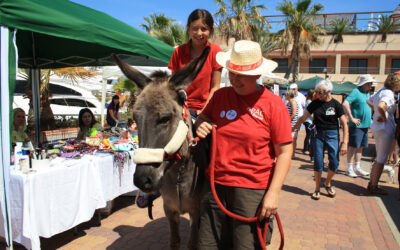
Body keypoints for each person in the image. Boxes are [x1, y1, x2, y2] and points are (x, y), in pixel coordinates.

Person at [195, 40, 292, 249]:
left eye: (243, 75)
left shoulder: (273, 104)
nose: (235, 80)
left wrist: (273, 193)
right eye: (232, 73)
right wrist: (200, 125)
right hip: (214, 186)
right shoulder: (220, 96)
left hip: (252, 190)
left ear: (257, 74)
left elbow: (284, 152)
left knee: (246, 246)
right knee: (206, 244)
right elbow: (201, 118)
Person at [293, 79, 348, 200]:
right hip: (317, 134)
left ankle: (327, 182)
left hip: (333, 134)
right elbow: (303, 118)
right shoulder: (314, 103)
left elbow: (344, 123)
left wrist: (345, 142)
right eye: (317, 91)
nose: (317, 94)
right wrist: (292, 129)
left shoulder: (336, 104)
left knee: (334, 161)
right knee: (318, 161)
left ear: (328, 92)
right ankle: (317, 188)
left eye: (320, 92)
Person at [168, 9, 222, 117]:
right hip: (181, 108)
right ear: (188, 29)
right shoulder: (178, 52)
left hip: (206, 109)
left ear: (211, 31)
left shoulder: (215, 52)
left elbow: (215, 87)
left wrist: (204, 112)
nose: (199, 33)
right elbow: (173, 85)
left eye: (204, 29)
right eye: (195, 28)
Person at [367, 72, 400, 195]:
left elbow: (369, 101)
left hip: (378, 127)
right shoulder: (388, 93)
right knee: (382, 159)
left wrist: (377, 113)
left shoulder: (381, 90)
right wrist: (384, 116)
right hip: (384, 128)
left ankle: (372, 183)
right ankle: (374, 185)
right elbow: (381, 105)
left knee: (379, 158)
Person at [342, 74, 374, 178]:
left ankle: (357, 167)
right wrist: (351, 118)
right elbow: (345, 103)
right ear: (364, 84)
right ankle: (349, 168)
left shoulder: (367, 93)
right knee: (352, 146)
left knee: (360, 147)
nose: (371, 85)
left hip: (365, 125)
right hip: (357, 126)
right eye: (369, 83)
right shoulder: (356, 92)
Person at [287, 83, 306, 156]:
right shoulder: (290, 101)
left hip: (295, 121)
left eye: (294, 89)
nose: (293, 91)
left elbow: (295, 113)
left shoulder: (300, 97)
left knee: (293, 138)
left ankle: (292, 153)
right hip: (291, 121)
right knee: (290, 138)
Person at [285, 89, 298, 157]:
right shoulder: (289, 102)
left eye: (286, 95)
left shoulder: (293, 102)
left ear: (289, 95)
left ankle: (292, 153)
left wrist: (288, 120)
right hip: (289, 123)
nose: (284, 96)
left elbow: (294, 114)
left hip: (292, 124)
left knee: (293, 139)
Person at [303, 89, 315, 161]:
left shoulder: (308, 101)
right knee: (309, 135)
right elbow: (311, 112)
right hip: (309, 121)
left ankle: (306, 148)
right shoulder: (309, 102)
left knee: (308, 135)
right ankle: (306, 148)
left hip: (308, 121)